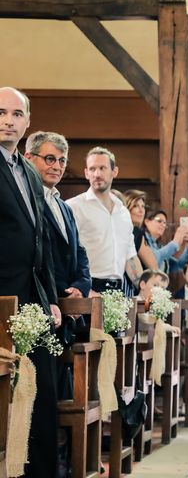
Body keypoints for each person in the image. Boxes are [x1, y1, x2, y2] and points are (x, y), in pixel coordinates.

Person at [0, 87, 61, 477]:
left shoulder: (26, 170)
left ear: (26, 122)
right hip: (1, 297)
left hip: (34, 298)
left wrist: (51, 298)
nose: (8, 120)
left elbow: (43, 241)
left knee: (41, 391)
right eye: (1, 112)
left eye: (16, 114)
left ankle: (40, 472)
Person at [67, 147, 144, 294]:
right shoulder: (73, 206)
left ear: (114, 172)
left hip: (118, 290)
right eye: (92, 169)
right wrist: (84, 290)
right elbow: (65, 254)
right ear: (86, 173)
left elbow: (130, 256)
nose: (97, 174)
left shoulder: (123, 212)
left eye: (102, 168)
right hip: (86, 288)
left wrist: (143, 287)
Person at [24, 131, 91, 298]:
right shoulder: (25, 200)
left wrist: (80, 286)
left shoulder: (65, 207)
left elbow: (79, 251)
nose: (57, 167)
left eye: (62, 161)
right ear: (28, 158)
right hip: (40, 298)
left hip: (70, 300)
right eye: (49, 159)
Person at [143, 209, 188, 274]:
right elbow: (152, 259)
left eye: (165, 223)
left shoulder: (159, 246)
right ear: (147, 222)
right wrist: (175, 242)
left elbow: (180, 265)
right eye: (159, 221)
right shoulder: (142, 239)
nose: (163, 225)